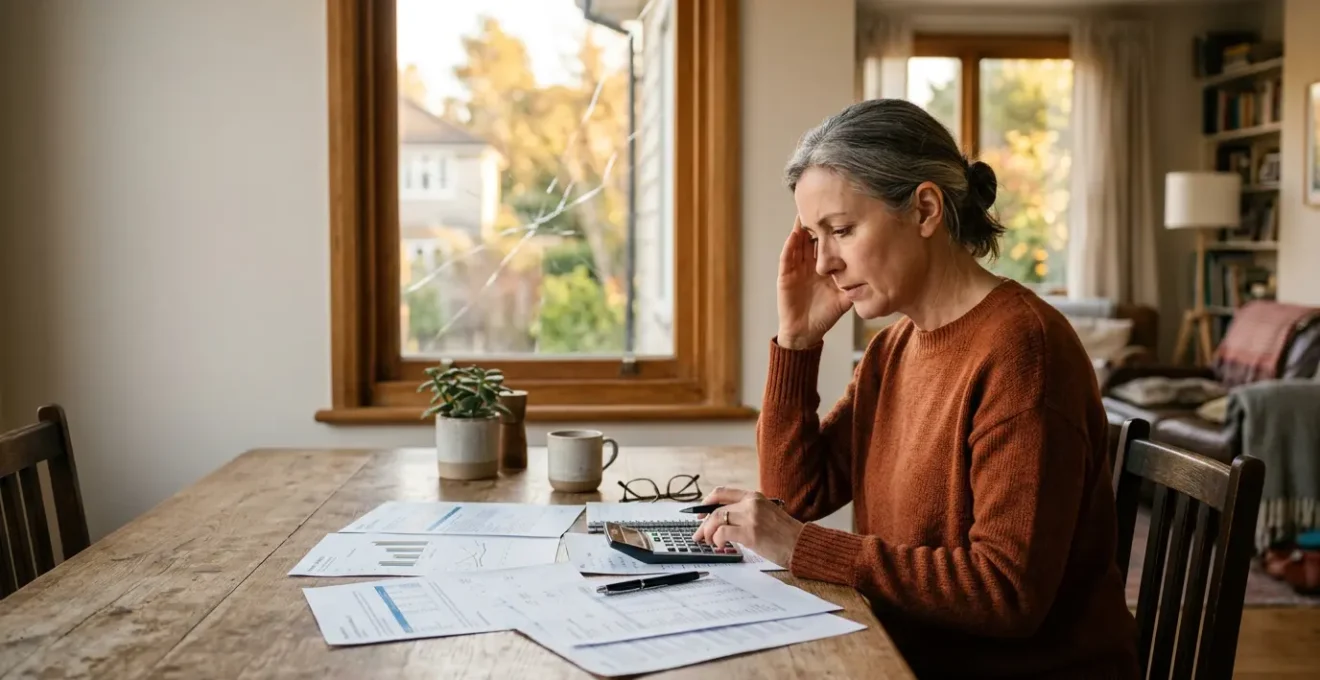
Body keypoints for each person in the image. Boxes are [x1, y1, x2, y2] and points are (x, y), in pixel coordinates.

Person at [691, 98, 1139, 679]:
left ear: (925, 209)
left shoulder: (1025, 350)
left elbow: (1006, 593)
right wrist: (796, 342)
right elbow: (795, 495)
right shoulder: (894, 347)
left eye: (842, 230)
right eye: (813, 236)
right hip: (905, 653)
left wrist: (805, 546)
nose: (824, 262)